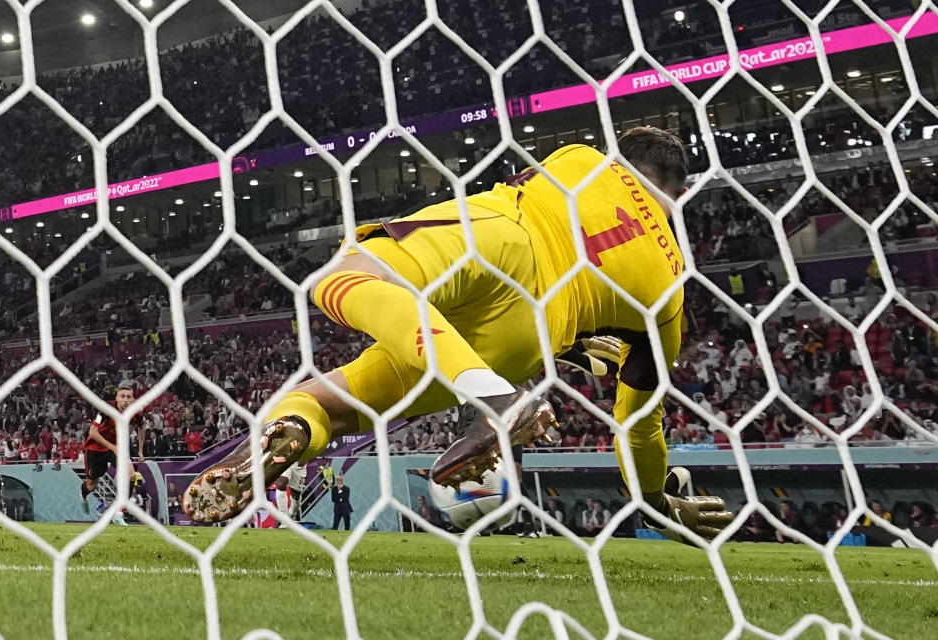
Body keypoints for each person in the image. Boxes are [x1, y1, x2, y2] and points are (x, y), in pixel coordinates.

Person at [182, 129, 733, 543]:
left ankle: (486, 400)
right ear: (681, 193)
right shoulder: (670, 298)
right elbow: (640, 423)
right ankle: (476, 398)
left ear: (620, 159)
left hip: (497, 240)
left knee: (341, 280)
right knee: (342, 405)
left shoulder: (582, 159)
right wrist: (655, 499)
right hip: (522, 338)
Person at [80, 381, 143, 513]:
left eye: (128, 397)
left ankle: (120, 512)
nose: (125, 400)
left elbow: (142, 426)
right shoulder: (105, 410)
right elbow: (92, 432)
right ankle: (83, 496)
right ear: (117, 398)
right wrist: (112, 447)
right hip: (95, 449)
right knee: (91, 486)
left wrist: (140, 450)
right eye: (122, 396)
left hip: (116, 449)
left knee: (131, 475)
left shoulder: (135, 413)